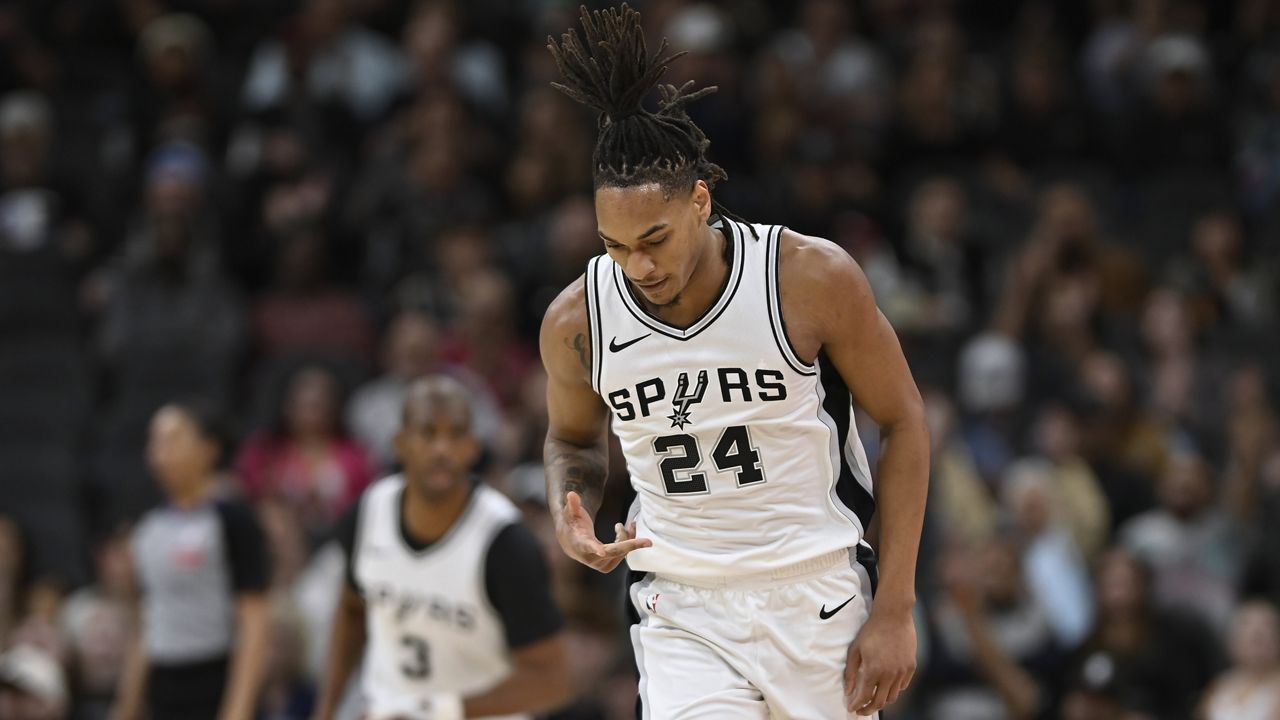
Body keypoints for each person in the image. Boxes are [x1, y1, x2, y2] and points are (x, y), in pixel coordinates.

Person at [539, 6, 930, 718]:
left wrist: (896, 607)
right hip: (681, 605)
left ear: (700, 199)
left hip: (816, 592)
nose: (638, 265)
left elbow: (904, 421)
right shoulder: (578, 321)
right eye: (615, 245)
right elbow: (571, 440)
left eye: (654, 239)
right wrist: (573, 511)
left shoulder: (806, 278)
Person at [313, 376, 572, 720]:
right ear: (400, 443)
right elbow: (351, 610)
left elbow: (552, 681)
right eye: (428, 433)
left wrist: (440, 711)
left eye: (456, 435)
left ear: (473, 447)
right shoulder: (368, 512)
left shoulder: (504, 541)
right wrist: (327, 708)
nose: (442, 449)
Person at [111, 402, 271, 720]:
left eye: (173, 440)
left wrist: (238, 709)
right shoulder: (147, 526)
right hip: (164, 684)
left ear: (209, 448)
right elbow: (146, 621)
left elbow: (254, 621)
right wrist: (127, 705)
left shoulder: (233, 520)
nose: (160, 452)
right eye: (155, 441)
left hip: (215, 677)